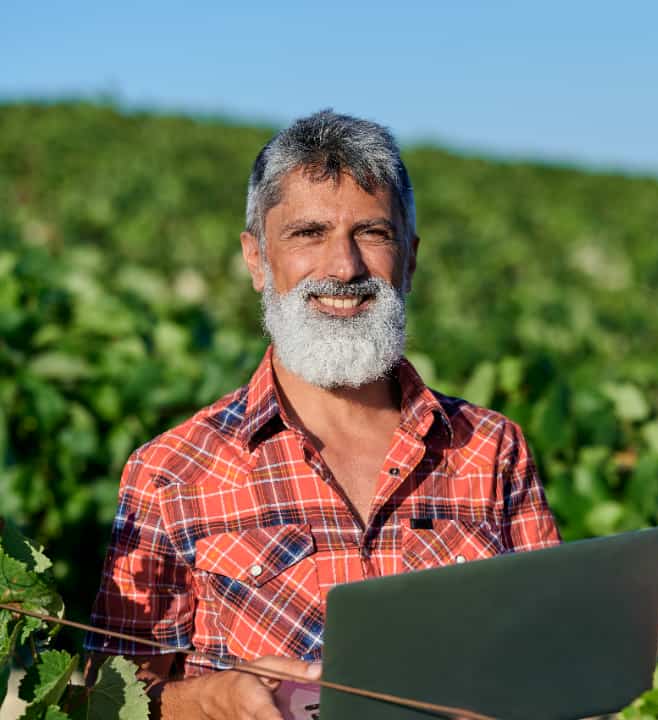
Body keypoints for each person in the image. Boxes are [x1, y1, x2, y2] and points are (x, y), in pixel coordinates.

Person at [85, 110, 561, 718]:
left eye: (372, 233)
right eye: (309, 233)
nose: (344, 266)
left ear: (410, 259)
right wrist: (205, 702)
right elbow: (104, 703)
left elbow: (553, 660)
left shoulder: (490, 449)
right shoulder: (172, 471)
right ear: (257, 260)